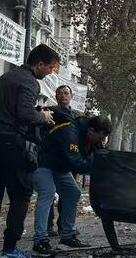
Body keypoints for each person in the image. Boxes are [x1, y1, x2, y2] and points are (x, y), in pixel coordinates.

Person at [0, 45, 58, 258]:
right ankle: (10, 249)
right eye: (50, 68)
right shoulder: (30, 82)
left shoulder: (6, 77)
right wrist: (42, 116)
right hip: (10, 143)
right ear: (40, 64)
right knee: (21, 194)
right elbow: (24, 114)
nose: (51, 72)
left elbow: (5, 109)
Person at [32, 115, 111, 254]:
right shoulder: (70, 133)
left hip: (60, 168)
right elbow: (77, 164)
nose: (100, 141)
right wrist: (95, 164)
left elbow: (101, 154)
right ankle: (40, 240)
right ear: (91, 130)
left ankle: (68, 236)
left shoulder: (93, 137)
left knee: (73, 193)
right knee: (47, 193)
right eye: (99, 137)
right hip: (43, 164)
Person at [46, 85, 82, 238]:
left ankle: (64, 226)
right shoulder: (51, 112)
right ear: (56, 96)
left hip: (70, 159)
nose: (63, 96)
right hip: (52, 159)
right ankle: (47, 227)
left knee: (68, 194)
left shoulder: (76, 115)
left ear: (71, 96)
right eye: (60, 94)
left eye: (66, 93)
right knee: (48, 194)